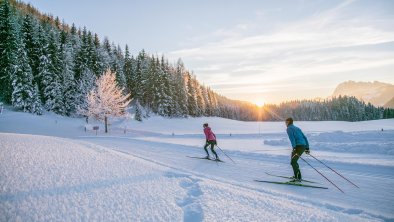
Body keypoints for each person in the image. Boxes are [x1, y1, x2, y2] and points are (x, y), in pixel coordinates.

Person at [285, 117, 310, 182]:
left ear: (289, 122)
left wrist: (294, 147)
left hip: (298, 146)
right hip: (303, 146)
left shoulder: (289, 128)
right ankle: (296, 175)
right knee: (293, 161)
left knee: (293, 161)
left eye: (286, 122)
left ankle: (298, 177)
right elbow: (304, 137)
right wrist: (307, 147)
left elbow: (292, 138)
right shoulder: (297, 128)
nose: (285, 123)